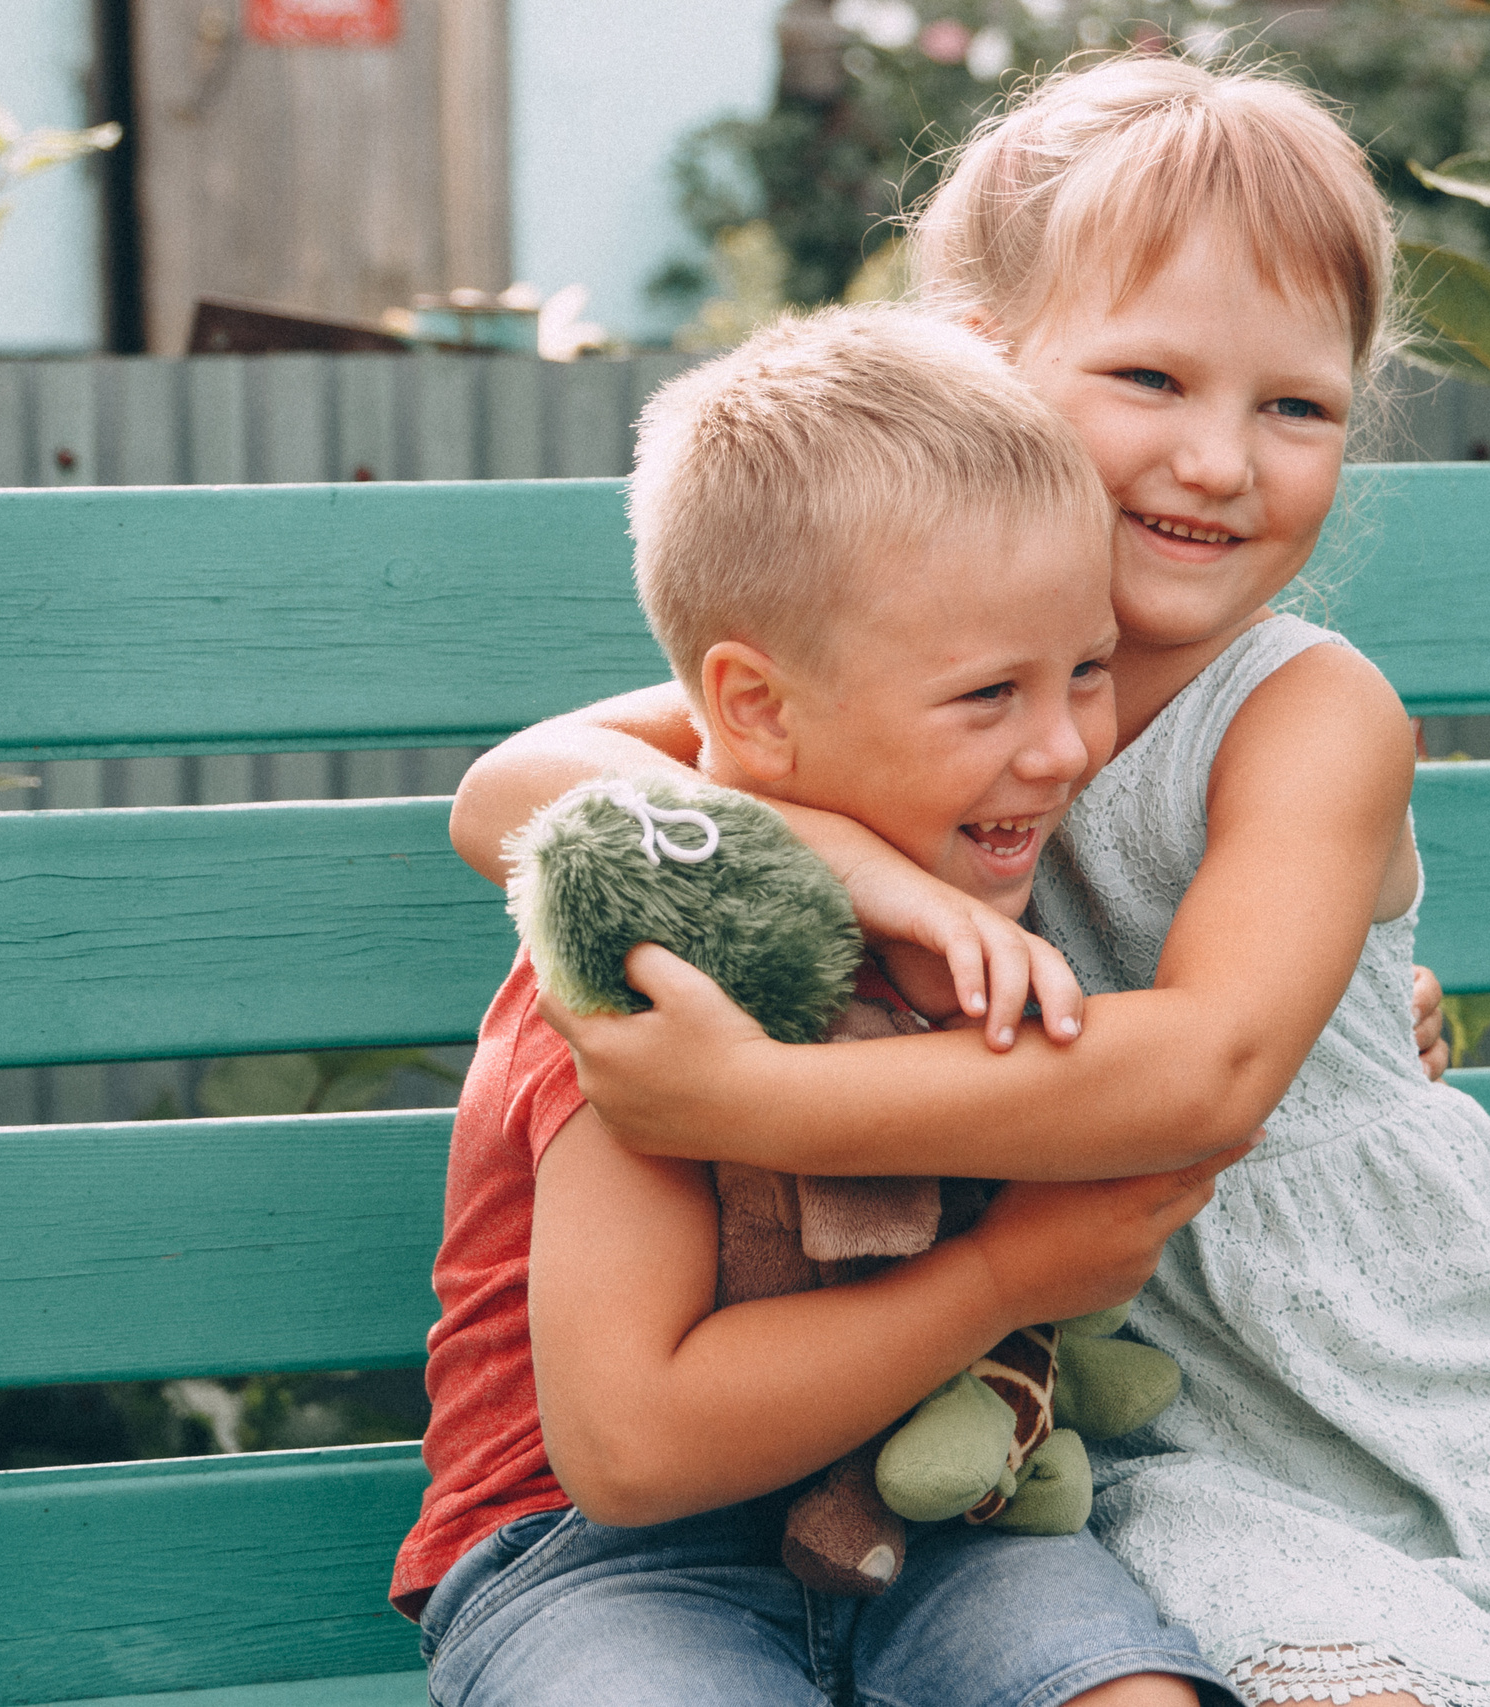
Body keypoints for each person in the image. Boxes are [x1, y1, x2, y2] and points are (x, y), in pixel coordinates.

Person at [449, 53, 1490, 1707]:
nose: (1218, 461)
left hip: (1424, 1344)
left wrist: (756, 1101)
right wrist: (854, 868)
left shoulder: (1308, 708)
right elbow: (513, 789)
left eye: (1296, 408)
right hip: (1151, 1408)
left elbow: (1209, 1071)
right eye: (1151, 378)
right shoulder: (904, 684)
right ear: (979, 370)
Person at [397, 304, 1249, 1707]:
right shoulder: (649, 971)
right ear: (758, 708)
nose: (1063, 748)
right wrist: (1005, 1279)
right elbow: (630, 1449)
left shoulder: (993, 888)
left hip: (946, 1532)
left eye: (1088, 671)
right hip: (610, 1564)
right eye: (990, 694)